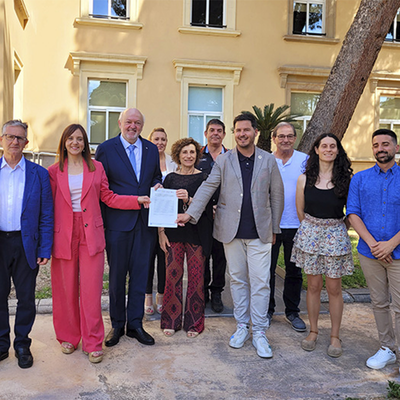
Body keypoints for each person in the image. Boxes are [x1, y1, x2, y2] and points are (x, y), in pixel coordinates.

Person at [177, 113, 284, 358]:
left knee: (260, 282)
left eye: (246, 130)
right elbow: (207, 188)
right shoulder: (224, 161)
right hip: (231, 232)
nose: (242, 134)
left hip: (260, 232)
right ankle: (241, 326)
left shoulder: (268, 160)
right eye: (238, 130)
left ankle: (259, 331)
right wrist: (190, 214)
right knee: (237, 281)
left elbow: (277, 195)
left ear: (255, 132)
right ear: (234, 133)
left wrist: (275, 229)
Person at [49, 124, 151, 363]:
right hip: (63, 233)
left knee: (91, 290)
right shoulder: (53, 171)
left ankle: (93, 341)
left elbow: (108, 197)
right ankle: (68, 337)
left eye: (80, 139)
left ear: (85, 144)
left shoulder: (97, 168)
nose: (75, 143)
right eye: (71, 138)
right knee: (65, 290)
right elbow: (47, 207)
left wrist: (136, 200)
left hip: (91, 234)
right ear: (64, 142)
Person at [95, 108, 162, 348]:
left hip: (144, 224)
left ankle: (135, 324)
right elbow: (101, 188)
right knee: (116, 277)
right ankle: (116, 325)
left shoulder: (151, 149)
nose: (133, 126)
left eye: (138, 123)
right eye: (129, 122)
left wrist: (157, 185)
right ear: (120, 123)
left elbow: (156, 177)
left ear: (142, 126)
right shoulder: (106, 149)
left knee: (140, 275)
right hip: (117, 224)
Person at [291, 133, 353, 358]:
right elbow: (300, 210)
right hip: (310, 234)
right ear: (316, 149)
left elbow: (352, 211)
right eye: (324, 146)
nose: (328, 149)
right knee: (314, 286)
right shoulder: (304, 178)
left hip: (335, 235)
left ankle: (335, 336)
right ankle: (313, 331)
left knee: (334, 288)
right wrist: (313, 230)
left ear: (337, 150)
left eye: (332, 146)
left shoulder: (346, 179)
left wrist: (337, 228)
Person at [0, 120, 53, 369]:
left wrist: (44, 248)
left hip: (25, 244)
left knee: (26, 298)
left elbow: (46, 215)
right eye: (10, 137)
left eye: (20, 138)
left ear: (26, 143)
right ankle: (1, 344)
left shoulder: (38, 174)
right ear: (1, 139)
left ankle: (22, 344)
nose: (14, 142)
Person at [347, 128, 400, 370]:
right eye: (376, 145)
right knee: (379, 303)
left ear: (396, 147)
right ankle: (387, 347)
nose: (381, 148)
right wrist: (373, 244)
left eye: (386, 144)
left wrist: (391, 244)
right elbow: (353, 213)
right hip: (370, 254)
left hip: (398, 252)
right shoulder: (360, 178)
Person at [159, 138, 213, 338]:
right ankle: (170, 320)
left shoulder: (204, 178)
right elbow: (161, 208)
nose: (189, 156)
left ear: (197, 155)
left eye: (192, 152)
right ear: (178, 156)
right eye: (185, 152)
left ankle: (194, 322)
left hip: (197, 234)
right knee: (172, 276)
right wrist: (161, 233)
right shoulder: (170, 179)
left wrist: (188, 199)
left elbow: (208, 208)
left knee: (196, 279)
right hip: (173, 233)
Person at [269, 122, 307, 331]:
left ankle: (292, 312)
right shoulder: (265, 160)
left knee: (294, 271)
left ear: (294, 138)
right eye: (281, 136)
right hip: (271, 225)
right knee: (267, 271)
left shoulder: (305, 161)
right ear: (274, 138)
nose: (285, 140)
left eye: (289, 136)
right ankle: (267, 311)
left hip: (297, 225)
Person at [196, 119, 228, 313]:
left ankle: (216, 292)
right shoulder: (196, 156)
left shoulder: (232, 156)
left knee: (220, 257)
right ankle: (202, 293)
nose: (215, 133)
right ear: (205, 133)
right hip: (202, 216)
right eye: (212, 130)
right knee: (202, 255)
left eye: (219, 131)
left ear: (224, 134)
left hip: (225, 216)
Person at [145, 128, 176, 316]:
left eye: (163, 139)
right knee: (148, 259)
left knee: (165, 258)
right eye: (156, 139)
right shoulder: (146, 161)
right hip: (149, 218)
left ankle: (161, 296)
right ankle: (147, 296)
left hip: (168, 218)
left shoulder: (173, 161)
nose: (160, 142)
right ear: (150, 141)